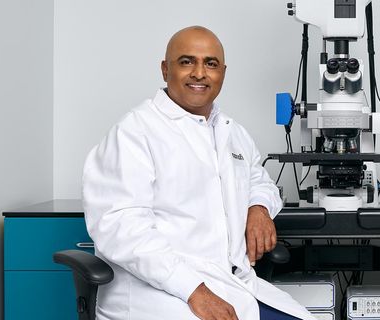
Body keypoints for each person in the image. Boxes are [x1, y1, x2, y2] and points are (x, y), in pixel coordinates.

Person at [82, 26, 315, 320]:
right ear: (165, 69)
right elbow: (124, 230)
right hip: (159, 293)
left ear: (223, 73)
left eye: (211, 64)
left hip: (229, 284)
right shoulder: (134, 132)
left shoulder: (231, 131)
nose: (199, 73)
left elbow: (258, 179)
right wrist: (194, 290)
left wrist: (258, 207)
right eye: (186, 61)